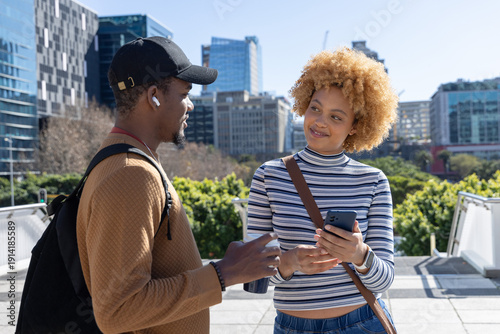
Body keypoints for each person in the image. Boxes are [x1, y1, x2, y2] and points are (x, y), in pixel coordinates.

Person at [76, 36, 281, 334]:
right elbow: (118, 310)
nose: (191, 105)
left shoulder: (129, 162)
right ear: (154, 96)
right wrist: (224, 272)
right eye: (185, 93)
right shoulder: (130, 174)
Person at [246, 47, 399, 333]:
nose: (319, 122)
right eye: (315, 108)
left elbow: (385, 280)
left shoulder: (374, 181)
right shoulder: (268, 175)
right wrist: (289, 262)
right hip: (293, 327)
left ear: (356, 126)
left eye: (336, 117)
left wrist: (359, 254)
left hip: (362, 324)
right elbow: (254, 278)